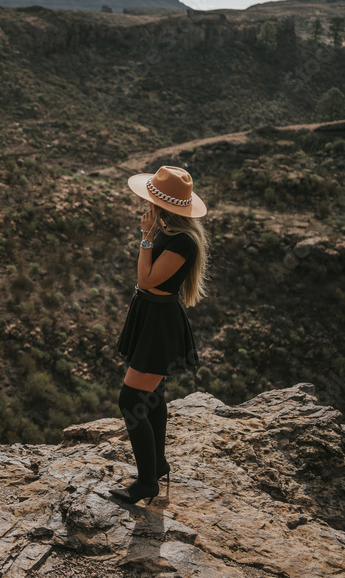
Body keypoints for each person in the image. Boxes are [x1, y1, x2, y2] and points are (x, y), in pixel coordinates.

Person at [108, 166, 209, 506]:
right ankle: (159, 465)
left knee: (131, 399)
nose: (146, 206)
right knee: (152, 397)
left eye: (151, 201)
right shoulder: (172, 233)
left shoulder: (182, 241)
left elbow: (147, 280)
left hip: (160, 323)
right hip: (151, 316)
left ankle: (147, 483)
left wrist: (146, 237)